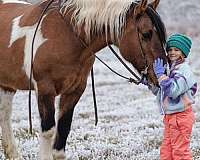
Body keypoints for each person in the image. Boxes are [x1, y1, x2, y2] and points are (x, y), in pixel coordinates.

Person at [146, 33, 197, 160]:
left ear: (183, 53)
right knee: (166, 151)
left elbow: (173, 91)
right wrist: (150, 82)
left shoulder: (184, 70)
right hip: (170, 117)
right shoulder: (171, 69)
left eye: (176, 49)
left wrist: (161, 76)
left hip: (181, 117)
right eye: (169, 50)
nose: (172, 52)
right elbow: (162, 92)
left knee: (180, 151)